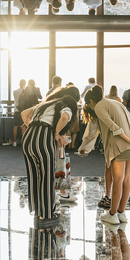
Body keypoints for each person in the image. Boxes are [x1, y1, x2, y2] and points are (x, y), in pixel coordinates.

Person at [78, 85, 130, 226]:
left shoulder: (99, 107)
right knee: (126, 179)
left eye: (88, 104)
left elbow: (113, 127)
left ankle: (112, 214)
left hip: (119, 147)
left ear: (90, 102)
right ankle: (121, 213)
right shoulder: (115, 102)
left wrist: (127, 139)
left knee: (118, 179)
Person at [20, 93, 77, 225]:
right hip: (44, 137)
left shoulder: (45, 105)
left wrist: (32, 128)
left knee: (33, 175)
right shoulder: (66, 107)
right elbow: (64, 117)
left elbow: (24, 113)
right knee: (46, 176)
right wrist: (57, 133)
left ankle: (37, 211)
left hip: (28, 137)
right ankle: (47, 215)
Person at [12, 79, 27, 147]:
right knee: (23, 127)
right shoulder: (25, 92)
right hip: (23, 111)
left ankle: (14, 142)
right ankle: (23, 142)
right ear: (24, 84)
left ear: (19, 84)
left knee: (15, 126)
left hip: (16, 110)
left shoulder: (15, 91)